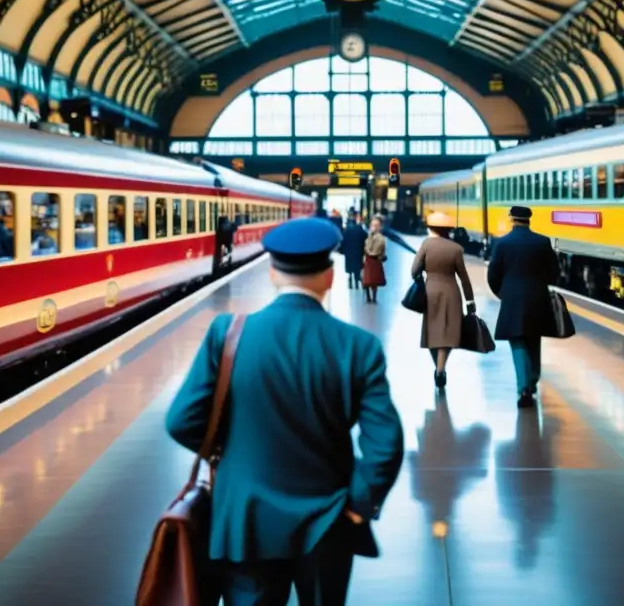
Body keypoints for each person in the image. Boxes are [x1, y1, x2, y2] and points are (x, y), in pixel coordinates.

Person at [166, 217, 405, 606]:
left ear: (274, 274)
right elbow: (386, 444)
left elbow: (181, 421)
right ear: (329, 277)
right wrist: (359, 506)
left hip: (244, 520)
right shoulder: (357, 346)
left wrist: (229, 456)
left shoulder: (226, 335)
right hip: (328, 521)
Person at [487, 206, 560, 409]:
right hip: (537, 297)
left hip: (512, 298)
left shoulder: (502, 243)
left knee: (518, 342)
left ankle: (523, 388)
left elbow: (493, 274)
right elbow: (554, 272)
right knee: (534, 340)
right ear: (529, 219)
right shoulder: (542, 242)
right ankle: (533, 379)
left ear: (511, 219)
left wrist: (503, 293)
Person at [410, 211, 475, 390]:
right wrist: (470, 301)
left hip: (431, 293)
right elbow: (464, 278)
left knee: (432, 333)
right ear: (448, 230)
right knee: (448, 334)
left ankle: (438, 368)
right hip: (451, 293)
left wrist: (424, 270)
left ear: (432, 228)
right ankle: (440, 369)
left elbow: (414, 271)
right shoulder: (456, 249)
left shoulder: (426, 245)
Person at [362, 215, 387, 303]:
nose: (373, 227)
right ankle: (368, 296)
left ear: (380, 227)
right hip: (368, 261)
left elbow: (374, 251)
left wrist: (368, 249)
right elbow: (366, 246)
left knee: (374, 280)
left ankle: (374, 297)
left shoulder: (381, 238)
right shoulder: (369, 236)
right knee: (366, 279)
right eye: (372, 225)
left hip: (375, 261)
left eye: (376, 225)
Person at [341, 211, 366, 289]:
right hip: (358, 251)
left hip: (349, 251)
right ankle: (356, 280)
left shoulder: (346, 229)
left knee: (350, 266)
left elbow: (342, 241)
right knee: (357, 267)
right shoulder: (359, 228)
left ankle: (350, 279)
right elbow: (365, 238)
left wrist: (343, 251)